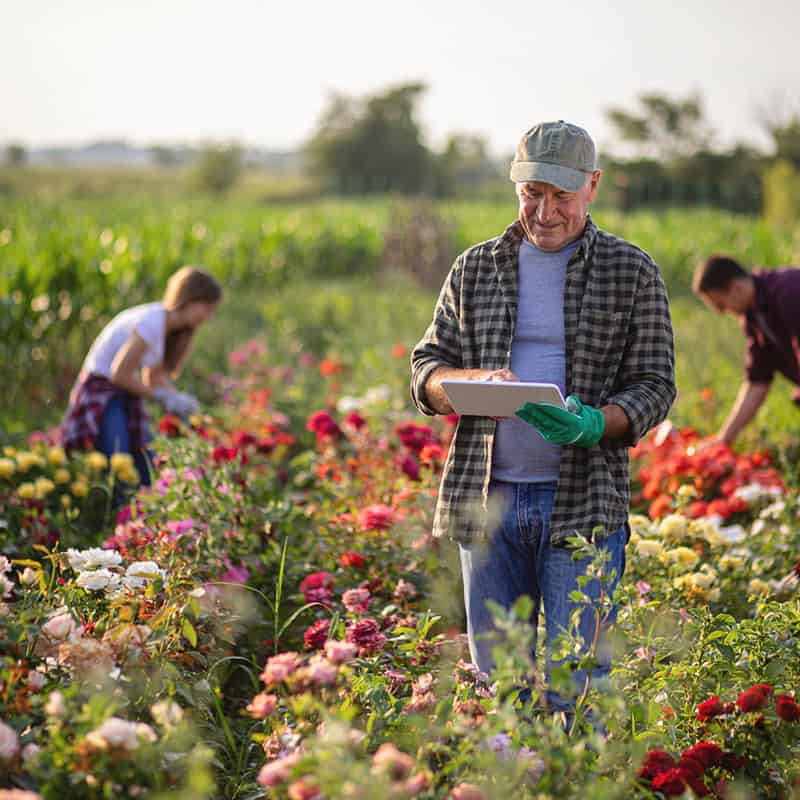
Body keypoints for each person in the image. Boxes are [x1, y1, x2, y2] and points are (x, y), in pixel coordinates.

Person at [411, 120, 676, 714]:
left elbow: (656, 386)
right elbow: (426, 367)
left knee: (576, 687)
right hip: (489, 502)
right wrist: (475, 383)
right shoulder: (476, 268)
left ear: (592, 186)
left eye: (561, 195)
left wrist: (596, 422)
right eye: (533, 193)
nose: (546, 211)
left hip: (581, 503)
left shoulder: (630, 271)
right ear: (515, 185)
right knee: (496, 686)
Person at [61, 265, 222, 486]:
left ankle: (140, 514)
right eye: (207, 308)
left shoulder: (171, 328)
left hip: (124, 392)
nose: (209, 316)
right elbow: (119, 374)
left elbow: (153, 377)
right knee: (120, 460)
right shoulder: (153, 321)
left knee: (147, 464)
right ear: (191, 299)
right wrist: (162, 397)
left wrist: (179, 399)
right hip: (102, 391)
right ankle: (118, 514)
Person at [692, 254, 800, 447]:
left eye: (721, 304)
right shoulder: (754, 319)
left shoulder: (790, 290)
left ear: (736, 288)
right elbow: (757, 382)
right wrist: (724, 439)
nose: (723, 312)